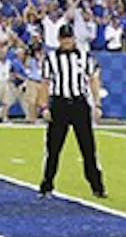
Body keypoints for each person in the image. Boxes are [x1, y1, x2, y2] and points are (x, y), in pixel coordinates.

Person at [38, 24, 106, 199]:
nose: (67, 42)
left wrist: (97, 104)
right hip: (59, 104)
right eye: (64, 39)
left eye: (70, 38)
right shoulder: (51, 58)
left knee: (88, 147)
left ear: (73, 38)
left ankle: (97, 186)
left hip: (79, 104)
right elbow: (44, 83)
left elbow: (93, 80)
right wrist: (44, 107)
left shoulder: (84, 56)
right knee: (53, 148)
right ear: (59, 39)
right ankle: (46, 185)